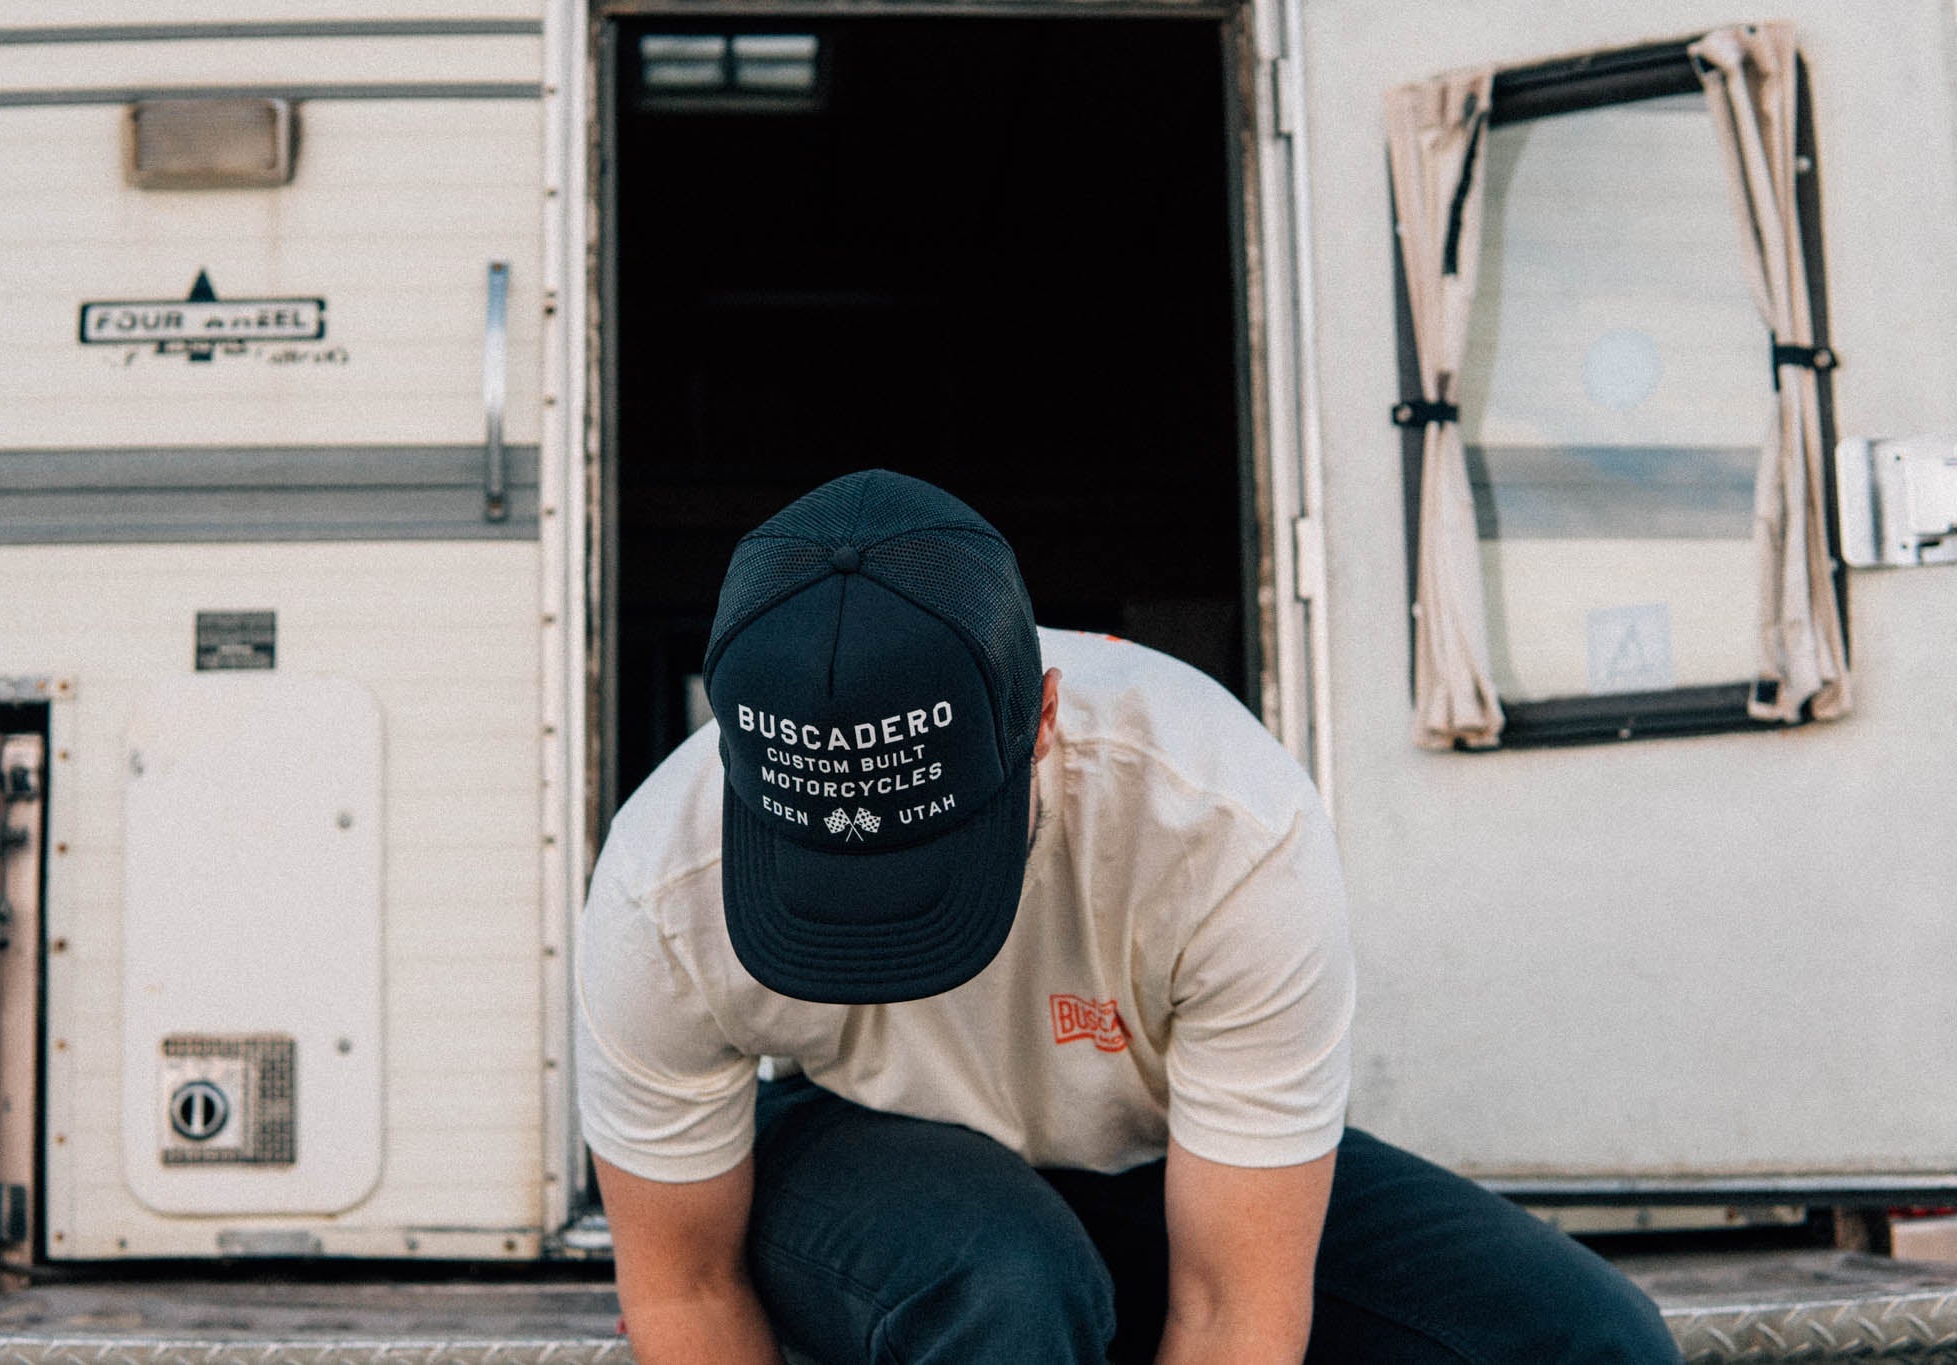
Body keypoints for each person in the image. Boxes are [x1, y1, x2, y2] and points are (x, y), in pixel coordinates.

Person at [577, 470, 1680, 1364]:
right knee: (1002, 1283)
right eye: (825, 878)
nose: (884, 937)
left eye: (931, 859)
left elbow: (1229, 1310)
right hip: (858, 1154)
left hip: (1151, 1152)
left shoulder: (1226, 824)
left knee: (1585, 1340)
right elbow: (683, 1284)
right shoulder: (658, 889)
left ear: (1044, 713)